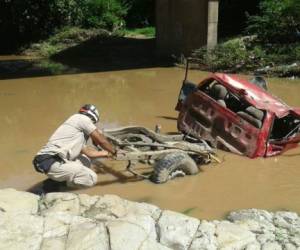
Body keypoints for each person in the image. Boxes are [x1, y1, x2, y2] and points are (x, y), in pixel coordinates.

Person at [33, 104, 116, 189]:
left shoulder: (76, 128)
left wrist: (106, 153)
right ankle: (57, 186)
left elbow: (88, 153)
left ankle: (58, 179)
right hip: (50, 161)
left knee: (85, 159)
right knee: (91, 178)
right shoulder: (82, 118)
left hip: (50, 161)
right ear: (93, 118)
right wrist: (114, 151)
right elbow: (101, 140)